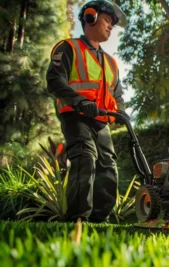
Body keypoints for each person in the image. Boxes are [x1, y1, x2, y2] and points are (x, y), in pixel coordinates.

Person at [46, 0, 129, 223]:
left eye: (113, 23)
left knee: (108, 165)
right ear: (90, 17)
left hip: (101, 120)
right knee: (85, 157)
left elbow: (116, 93)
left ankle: (100, 220)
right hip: (76, 116)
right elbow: (54, 80)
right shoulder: (68, 48)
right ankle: (77, 219)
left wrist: (121, 111)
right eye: (107, 20)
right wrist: (79, 102)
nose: (111, 26)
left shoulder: (111, 62)